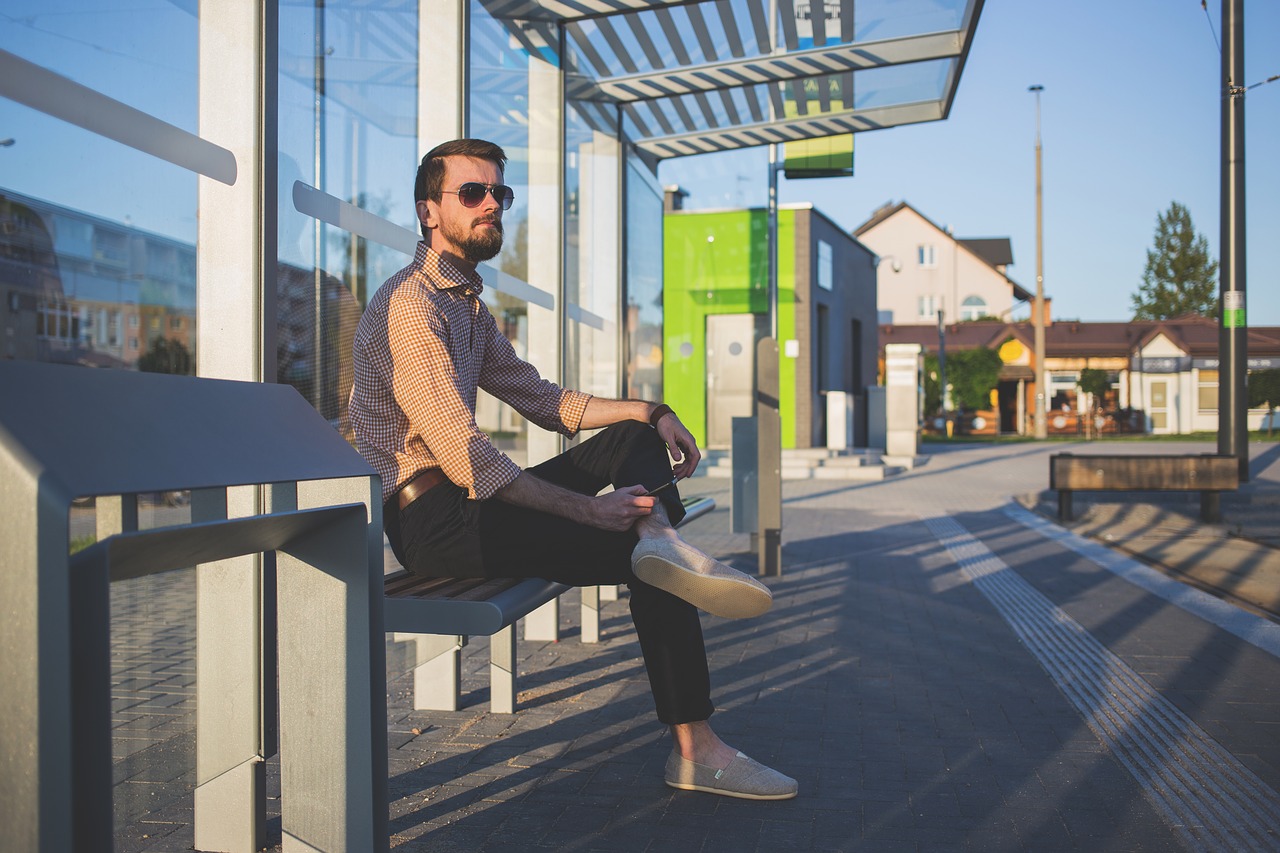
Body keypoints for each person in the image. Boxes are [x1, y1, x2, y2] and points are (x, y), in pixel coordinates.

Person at [349, 138, 796, 800]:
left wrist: (652, 408)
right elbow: (467, 455)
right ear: (428, 212)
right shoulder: (412, 307)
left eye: (499, 193)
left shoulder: (465, 302)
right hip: (433, 522)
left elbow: (545, 401)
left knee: (630, 443)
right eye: (471, 194)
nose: (491, 205)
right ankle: (696, 747)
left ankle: (662, 544)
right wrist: (590, 510)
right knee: (644, 555)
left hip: (469, 504)